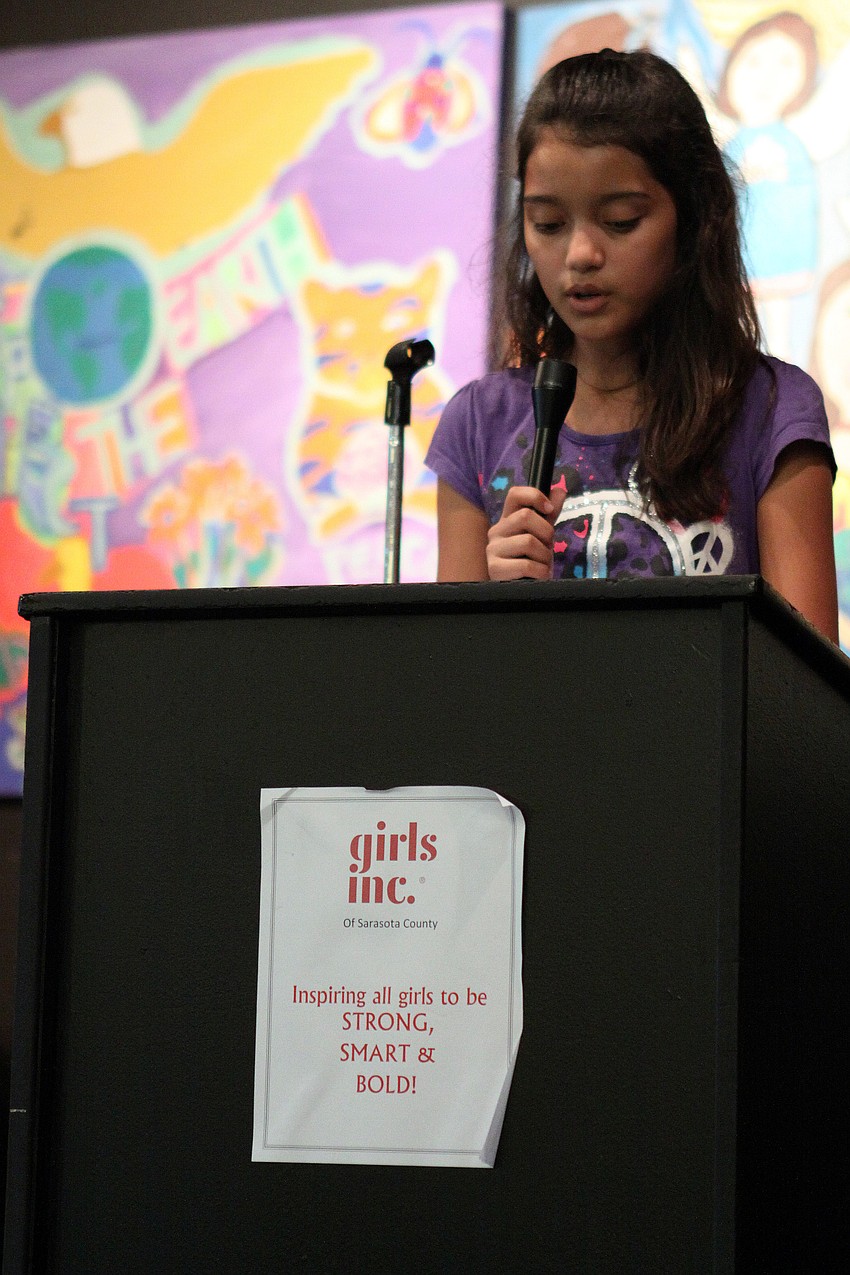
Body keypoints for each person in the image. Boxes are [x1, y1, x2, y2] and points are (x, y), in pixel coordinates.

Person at [425, 49, 839, 643]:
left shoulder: (771, 410)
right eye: (547, 223)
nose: (579, 255)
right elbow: (448, 686)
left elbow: (807, 685)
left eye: (620, 221)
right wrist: (494, 604)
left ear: (695, 221)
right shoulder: (479, 423)